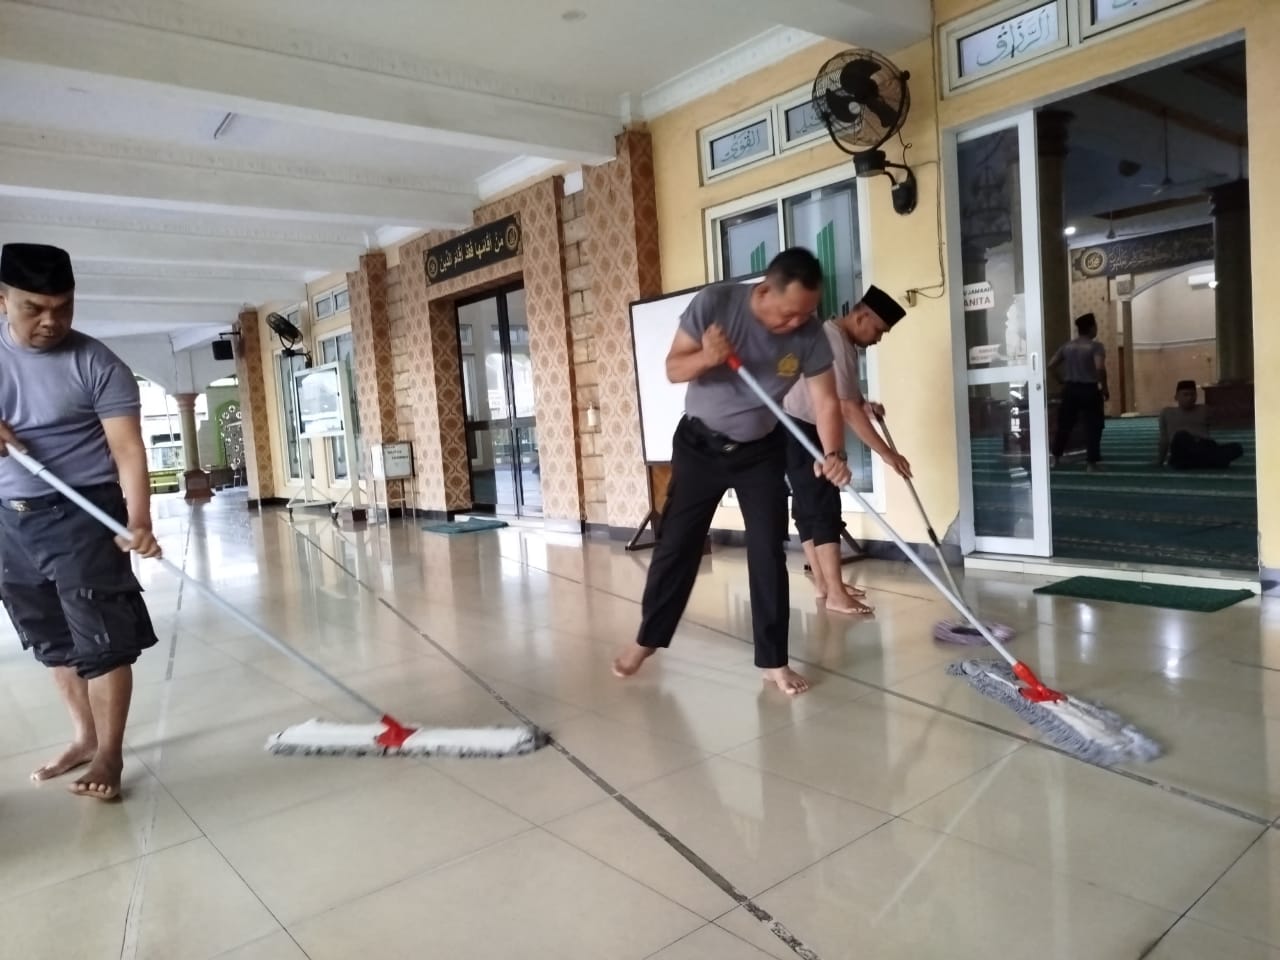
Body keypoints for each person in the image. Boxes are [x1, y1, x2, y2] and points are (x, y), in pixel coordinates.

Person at [612, 249, 851, 695]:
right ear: (763, 292)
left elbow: (825, 402)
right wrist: (706, 356)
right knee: (677, 546)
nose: (796, 324)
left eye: (805, 315)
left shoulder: (810, 333)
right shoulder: (716, 304)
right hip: (699, 446)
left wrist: (833, 452)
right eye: (788, 314)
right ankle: (646, 639)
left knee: (767, 551)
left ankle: (774, 662)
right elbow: (671, 368)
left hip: (760, 451)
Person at [0, 243, 162, 801]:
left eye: (63, 306)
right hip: (8, 519)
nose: (52, 321)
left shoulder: (97, 364)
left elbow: (129, 450)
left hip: (82, 512)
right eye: (34, 308)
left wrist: (137, 519)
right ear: (2, 301)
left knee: (103, 638)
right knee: (50, 637)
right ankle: (84, 737)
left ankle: (110, 755)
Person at [781, 286, 912, 615]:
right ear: (861, 316)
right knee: (823, 504)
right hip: (801, 427)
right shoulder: (835, 342)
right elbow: (845, 408)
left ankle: (826, 585)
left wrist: (864, 406)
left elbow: (845, 399)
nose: (878, 339)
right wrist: (887, 455)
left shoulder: (836, 337)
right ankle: (836, 593)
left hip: (793, 424)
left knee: (808, 507)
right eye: (878, 330)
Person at [1049, 312, 1108, 471]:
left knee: (1064, 426)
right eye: (1095, 326)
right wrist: (1105, 388)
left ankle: (1056, 459)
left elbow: (1051, 365)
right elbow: (1100, 369)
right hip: (1089, 390)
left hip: (1070, 390)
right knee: (1093, 426)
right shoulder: (1096, 346)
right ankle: (1091, 463)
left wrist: (1061, 381)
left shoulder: (1067, 346)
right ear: (1091, 328)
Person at [1156, 379, 1244, 470]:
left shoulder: (1205, 410)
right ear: (1176, 397)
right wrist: (1160, 461)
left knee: (1237, 447)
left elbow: (1223, 422)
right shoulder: (1167, 412)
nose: (1190, 398)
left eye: (1192, 394)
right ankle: (1211, 461)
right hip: (1182, 448)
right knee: (1181, 436)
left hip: (1205, 447)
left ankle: (1201, 462)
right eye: (1186, 394)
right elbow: (1164, 440)